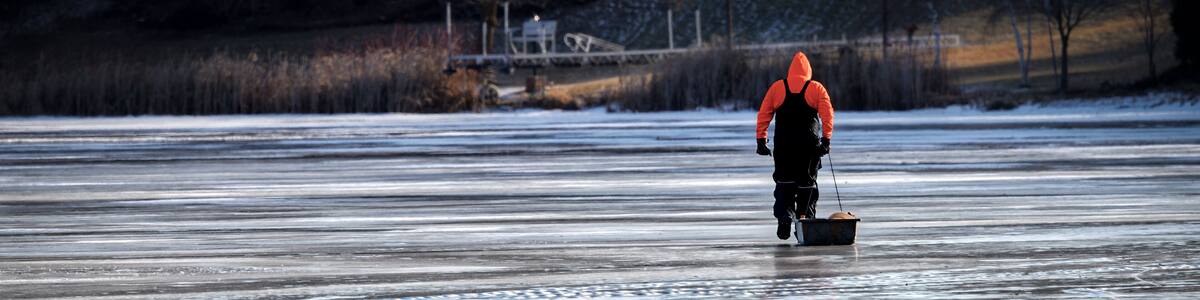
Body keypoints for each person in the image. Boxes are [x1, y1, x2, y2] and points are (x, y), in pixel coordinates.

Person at [755, 50, 834, 240]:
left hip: (784, 146)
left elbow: (764, 113)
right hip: (809, 147)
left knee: (784, 183)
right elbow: (827, 115)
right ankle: (805, 220)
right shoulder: (816, 88)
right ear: (808, 70)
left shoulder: (777, 87)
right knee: (807, 183)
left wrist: (761, 139)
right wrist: (826, 140)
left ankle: (784, 216)